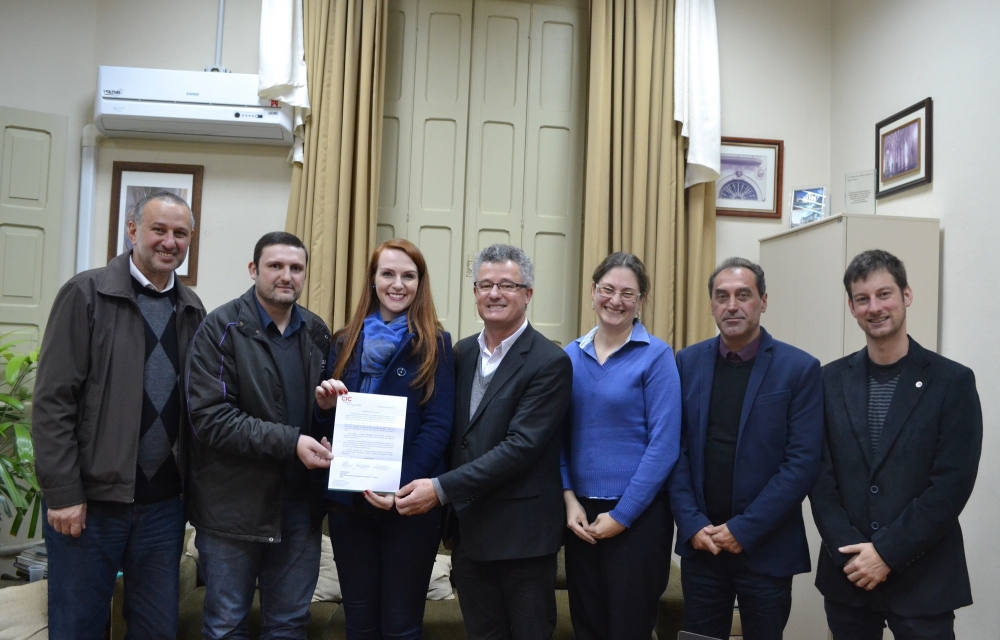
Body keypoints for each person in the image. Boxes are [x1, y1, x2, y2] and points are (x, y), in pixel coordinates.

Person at [33, 191, 205, 639]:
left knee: (156, 630)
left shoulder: (192, 310)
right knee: (78, 628)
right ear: (132, 231)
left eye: (180, 233)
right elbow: (53, 403)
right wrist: (63, 492)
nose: (170, 242)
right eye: (159, 230)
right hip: (91, 505)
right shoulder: (85, 295)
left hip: (164, 509)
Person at [395, 243, 572, 639]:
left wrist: (439, 489)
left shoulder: (550, 362)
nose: (495, 294)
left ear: (528, 294)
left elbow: (520, 448)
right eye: (485, 284)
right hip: (470, 536)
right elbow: (444, 431)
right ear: (474, 293)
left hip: (523, 540)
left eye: (507, 285)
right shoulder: (459, 354)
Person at [810, 250, 982, 639]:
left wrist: (886, 553)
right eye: (862, 299)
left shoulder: (952, 382)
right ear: (852, 308)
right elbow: (819, 479)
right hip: (848, 578)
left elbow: (951, 485)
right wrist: (853, 553)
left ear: (907, 295)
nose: (875, 307)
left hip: (924, 580)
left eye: (884, 294)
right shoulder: (827, 381)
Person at [185, 231, 334, 639]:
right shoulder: (220, 328)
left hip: (299, 510)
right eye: (275, 266)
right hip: (232, 510)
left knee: (288, 626)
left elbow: (318, 415)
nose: (286, 276)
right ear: (254, 270)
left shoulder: (317, 333)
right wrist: (291, 442)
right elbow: (210, 418)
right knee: (226, 627)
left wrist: (327, 428)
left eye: (295, 268)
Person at [667, 257, 823, 640]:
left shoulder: (799, 369)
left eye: (743, 295)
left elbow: (801, 462)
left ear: (763, 301)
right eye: (722, 296)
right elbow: (675, 449)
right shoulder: (686, 362)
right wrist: (691, 523)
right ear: (711, 304)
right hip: (703, 548)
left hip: (767, 549)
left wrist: (743, 529)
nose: (732, 305)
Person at [313, 238, 455, 639]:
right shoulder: (343, 341)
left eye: (408, 275)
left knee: (402, 626)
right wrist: (324, 409)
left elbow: (438, 427)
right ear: (372, 281)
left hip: (410, 504)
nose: (398, 284)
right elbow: (324, 424)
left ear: (419, 283)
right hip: (349, 505)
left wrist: (397, 487)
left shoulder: (436, 345)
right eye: (388, 274)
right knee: (358, 623)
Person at [561, 252, 681, 640]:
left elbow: (664, 445)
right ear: (593, 292)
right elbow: (556, 438)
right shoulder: (569, 356)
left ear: (641, 300)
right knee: (588, 627)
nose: (616, 300)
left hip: (639, 519)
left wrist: (623, 514)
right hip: (581, 518)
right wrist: (569, 500)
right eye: (608, 290)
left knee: (628, 629)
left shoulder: (657, 356)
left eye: (627, 293)